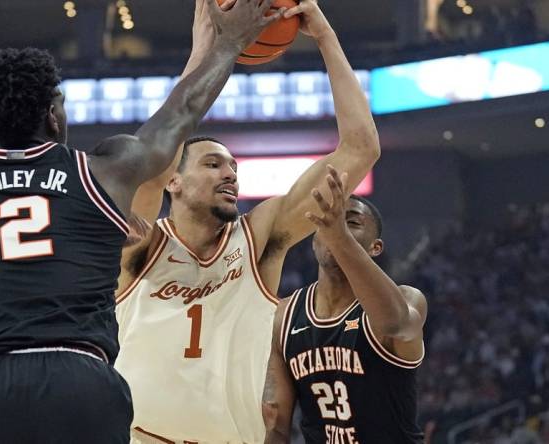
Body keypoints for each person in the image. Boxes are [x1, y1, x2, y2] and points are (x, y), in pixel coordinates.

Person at [0, 1, 278, 442]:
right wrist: (229, 44)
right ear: (53, 115)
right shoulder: (101, 171)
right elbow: (181, 115)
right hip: (76, 378)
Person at [113, 1, 381, 442]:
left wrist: (326, 36)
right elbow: (156, 151)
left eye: (234, 167)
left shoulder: (259, 238)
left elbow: (360, 149)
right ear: (174, 182)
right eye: (214, 164)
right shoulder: (138, 240)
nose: (230, 174)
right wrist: (204, 51)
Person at [262, 167, 427, 443]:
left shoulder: (408, 299)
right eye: (327, 221)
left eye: (351, 222)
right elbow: (275, 425)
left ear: (375, 247)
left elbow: (395, 325)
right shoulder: (284, 316)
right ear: (314, 240)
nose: (334, 225)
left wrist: (339, 236)